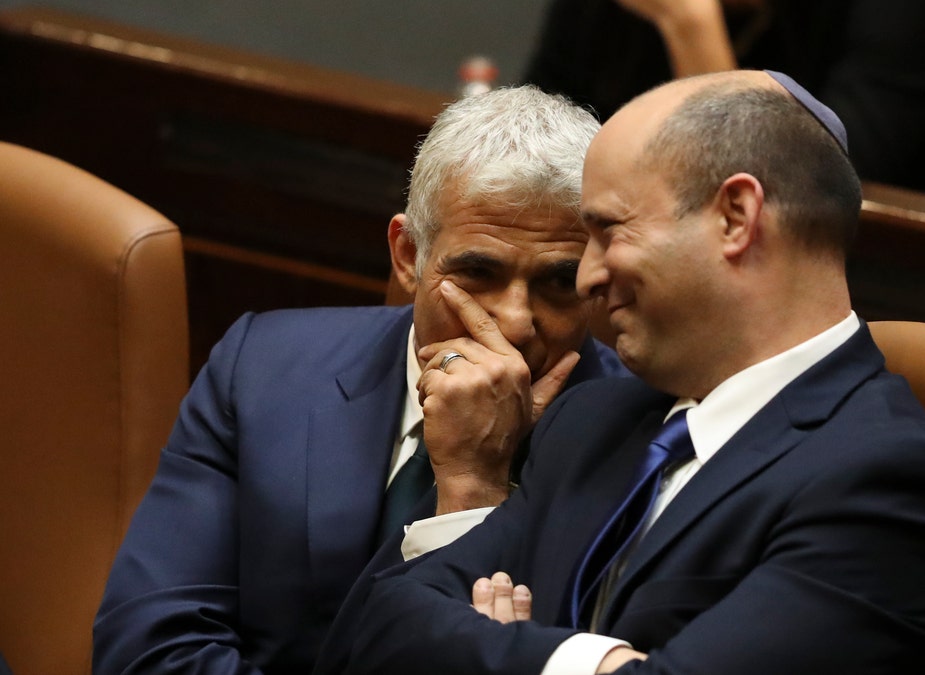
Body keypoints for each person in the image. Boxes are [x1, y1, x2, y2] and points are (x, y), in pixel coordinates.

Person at [314, 70, 925, 674]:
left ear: (736, 216)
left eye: (609, 232)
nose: (586, 277)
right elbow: (374, 628)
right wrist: (594, 658)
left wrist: (509, 649)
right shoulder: (596, 422)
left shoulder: (886, 484)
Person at [92, 85, 626, 675]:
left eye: (558, 280)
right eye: (478, 272)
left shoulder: (643, 446)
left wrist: (473, 489)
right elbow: (146, 647)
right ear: (407, 254)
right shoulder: (265, 366)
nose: (517, 321)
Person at [524, 0, 925, 201]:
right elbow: (539, 137)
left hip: (883, 292)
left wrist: (690, 26)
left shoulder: (905, 12)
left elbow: (803, 194)